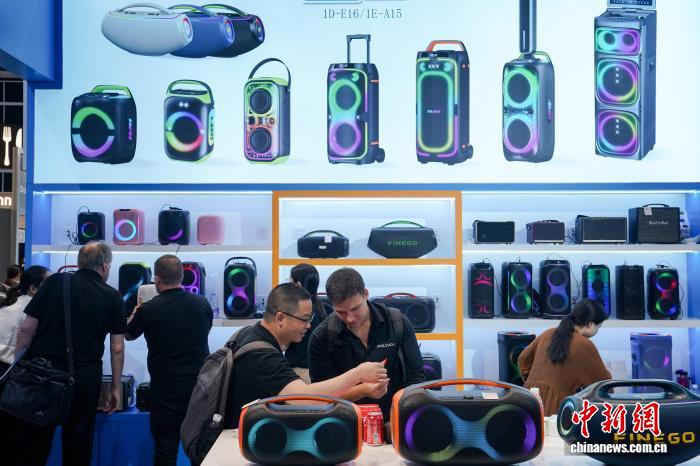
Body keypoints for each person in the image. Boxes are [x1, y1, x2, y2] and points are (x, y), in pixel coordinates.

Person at [6, 242, 126, 466]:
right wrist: (115, 387)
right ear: (105, 266)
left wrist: (18, 368)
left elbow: (27, 329)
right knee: (78, 445)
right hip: (85, 380)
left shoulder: (54, 282)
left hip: (44, 376)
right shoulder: (113, 297)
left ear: (79, 263)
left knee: (35, 444)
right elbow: (117, 347)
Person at [224, 282, 388, 428]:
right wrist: (358, 373)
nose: (308, 326)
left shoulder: (247, 334)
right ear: (280, 318)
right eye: (304, 319)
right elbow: (303, 398)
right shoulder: (262, 356)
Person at [126, 254, 213, 466]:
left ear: (156, 279)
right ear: (182, 276)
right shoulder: (202, 304)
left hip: (164, 391)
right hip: (198, 389)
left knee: (165, 450)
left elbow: (128, 334)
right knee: (199, 449)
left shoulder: (148, 309)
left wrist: (135, 313)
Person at [308, 268, 426, 420]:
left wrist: (402, 416)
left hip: (395, 420)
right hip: (343, 424)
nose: (350, 318)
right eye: (341, 312)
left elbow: (416, 378)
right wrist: (361, 391)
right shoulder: (322, 337)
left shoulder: (397, 322)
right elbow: (321, 399)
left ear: (365, 294)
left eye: (355, 308)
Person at [517, 299, 612, 416]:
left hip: (528, 399)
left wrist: (533, 382)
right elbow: (602, 381)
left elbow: (522, 359)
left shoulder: (548, 333)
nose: (598, 330)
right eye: (599, 327)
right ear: (590, 324)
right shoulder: (584, 345)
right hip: (555, 406)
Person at [0, 265, 50, 375]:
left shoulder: (11, 303)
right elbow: (25, 331)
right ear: (33, 289)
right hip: (9, 368)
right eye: (48, 284)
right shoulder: (32, 309)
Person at [284, 263, 327, 383]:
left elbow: (283, 343)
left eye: (290, 282)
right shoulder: (322, 309)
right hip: (316, 371)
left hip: (298, 373)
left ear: (298, 285)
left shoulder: (297, 312)